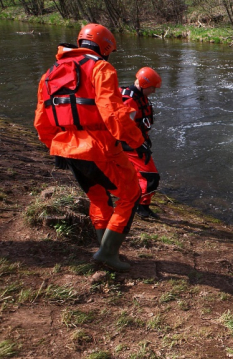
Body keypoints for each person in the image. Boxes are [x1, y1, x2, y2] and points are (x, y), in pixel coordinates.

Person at [34, 23, 152, 271]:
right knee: (130, 195)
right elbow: (113, 115)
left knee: (98, 197)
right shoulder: (101, 68)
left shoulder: (49, 73)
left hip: (67, 147)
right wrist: (138, 142)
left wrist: (55, 147)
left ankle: (103, 250)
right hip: (99, 149)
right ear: (105, 48)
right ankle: (108, 253)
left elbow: (41, 120)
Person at [120, 67, 162, 218]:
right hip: (130, 145)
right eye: (152, 88)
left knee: (137, 176)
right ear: (144, 85)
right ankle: (141, 207)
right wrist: (139, 145)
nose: (154, 91)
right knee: (151, 177)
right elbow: (124, 130)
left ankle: (140, 204)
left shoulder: (138, 97)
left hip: (137, 142)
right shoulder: (129, 101)